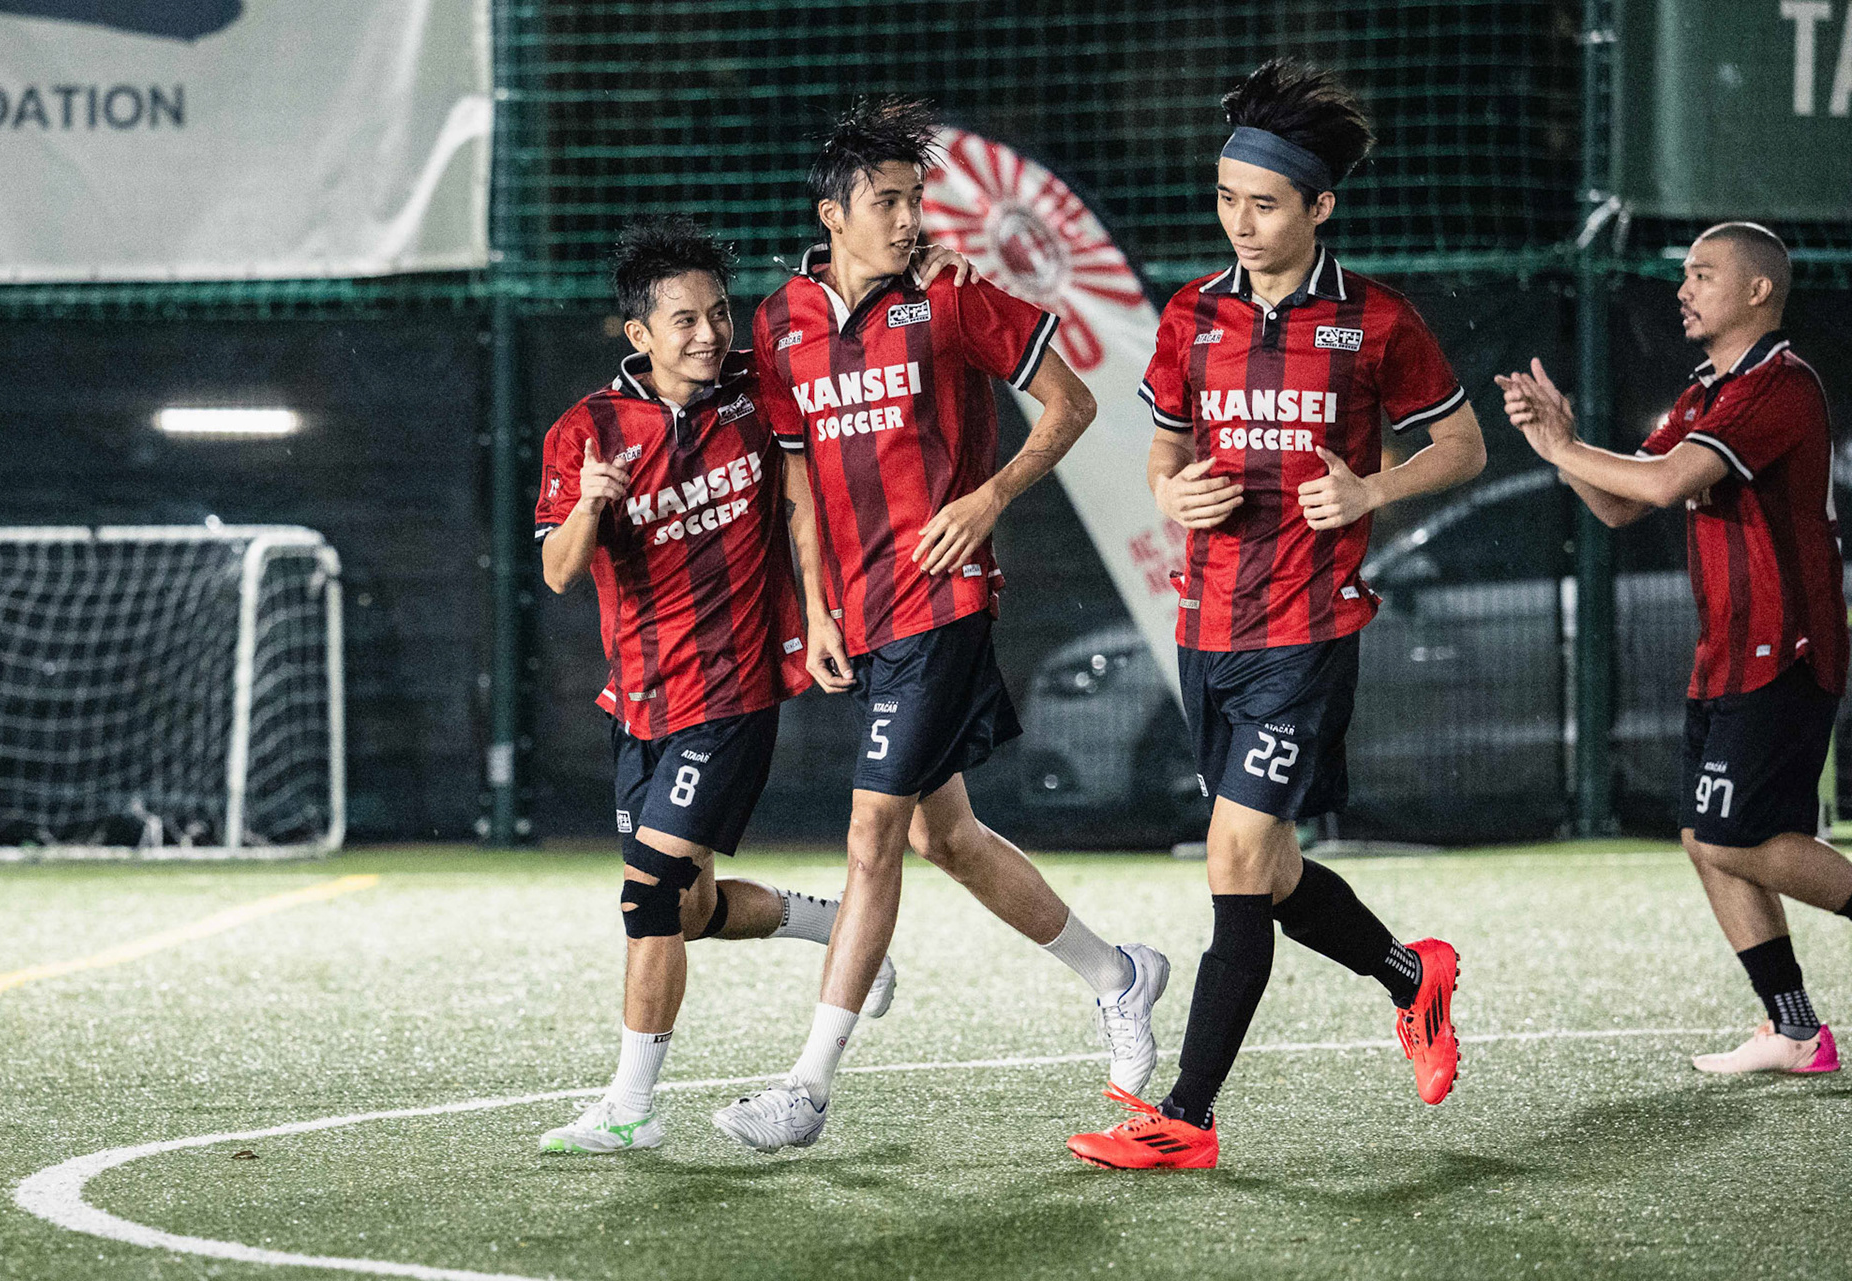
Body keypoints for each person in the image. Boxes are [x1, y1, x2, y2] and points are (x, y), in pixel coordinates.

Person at [710, 98, 1171, 1154]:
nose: (910, 219)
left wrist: (989, 497)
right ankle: (1120, 973)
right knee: (941, 834)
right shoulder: (782, 323)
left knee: (873, 836)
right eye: (887, 202)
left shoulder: (956, 300)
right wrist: (817, 607)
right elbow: (799, 476)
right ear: (833, 214)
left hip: (943, 602)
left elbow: (1071, 405)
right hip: (863, 616)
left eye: (917, 200)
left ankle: (807, 1092)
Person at [1068, 60, 1487, 1171]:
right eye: (1225, 199)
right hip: (1207, 630)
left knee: (1236, 854)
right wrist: (1172, 490)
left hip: (1310, 629)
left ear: (1319, 207)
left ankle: (1186, 1120)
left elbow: (1463, 445)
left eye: (1263, 203)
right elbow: (1163, 452)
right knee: (1272, 868)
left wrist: (1371, 490)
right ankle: (1414, 977)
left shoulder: (1376, 322)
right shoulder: (1192, 315)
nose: (1240, 223)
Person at [530, 218, 977, 1152]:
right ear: (638, 335)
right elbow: (560, 572)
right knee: (685, 910)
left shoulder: (756, 389)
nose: (709, 333)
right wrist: (590, 504)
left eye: (718, 313)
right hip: (639, 702)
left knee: (647, 897)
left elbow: (839, 340)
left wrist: (928, 274)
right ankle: (826, 922)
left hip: (731, 693)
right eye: (684, 319)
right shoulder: (586, 431)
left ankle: (631, 1107)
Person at [1498, 220, 1848, 1077]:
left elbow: (1660, 482)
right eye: (1683, 274)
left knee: (1732, 835)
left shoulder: (1778, 384)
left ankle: (1798, 1028)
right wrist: (1559, 447)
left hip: (1785, 648)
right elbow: (1622, 504)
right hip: (1726, 652)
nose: (1683, 289)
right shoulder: (1705, 393)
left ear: (1758, 291)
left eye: (1703, 274)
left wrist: (1567, 446)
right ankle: (1796, 1030)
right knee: (1705, 835)